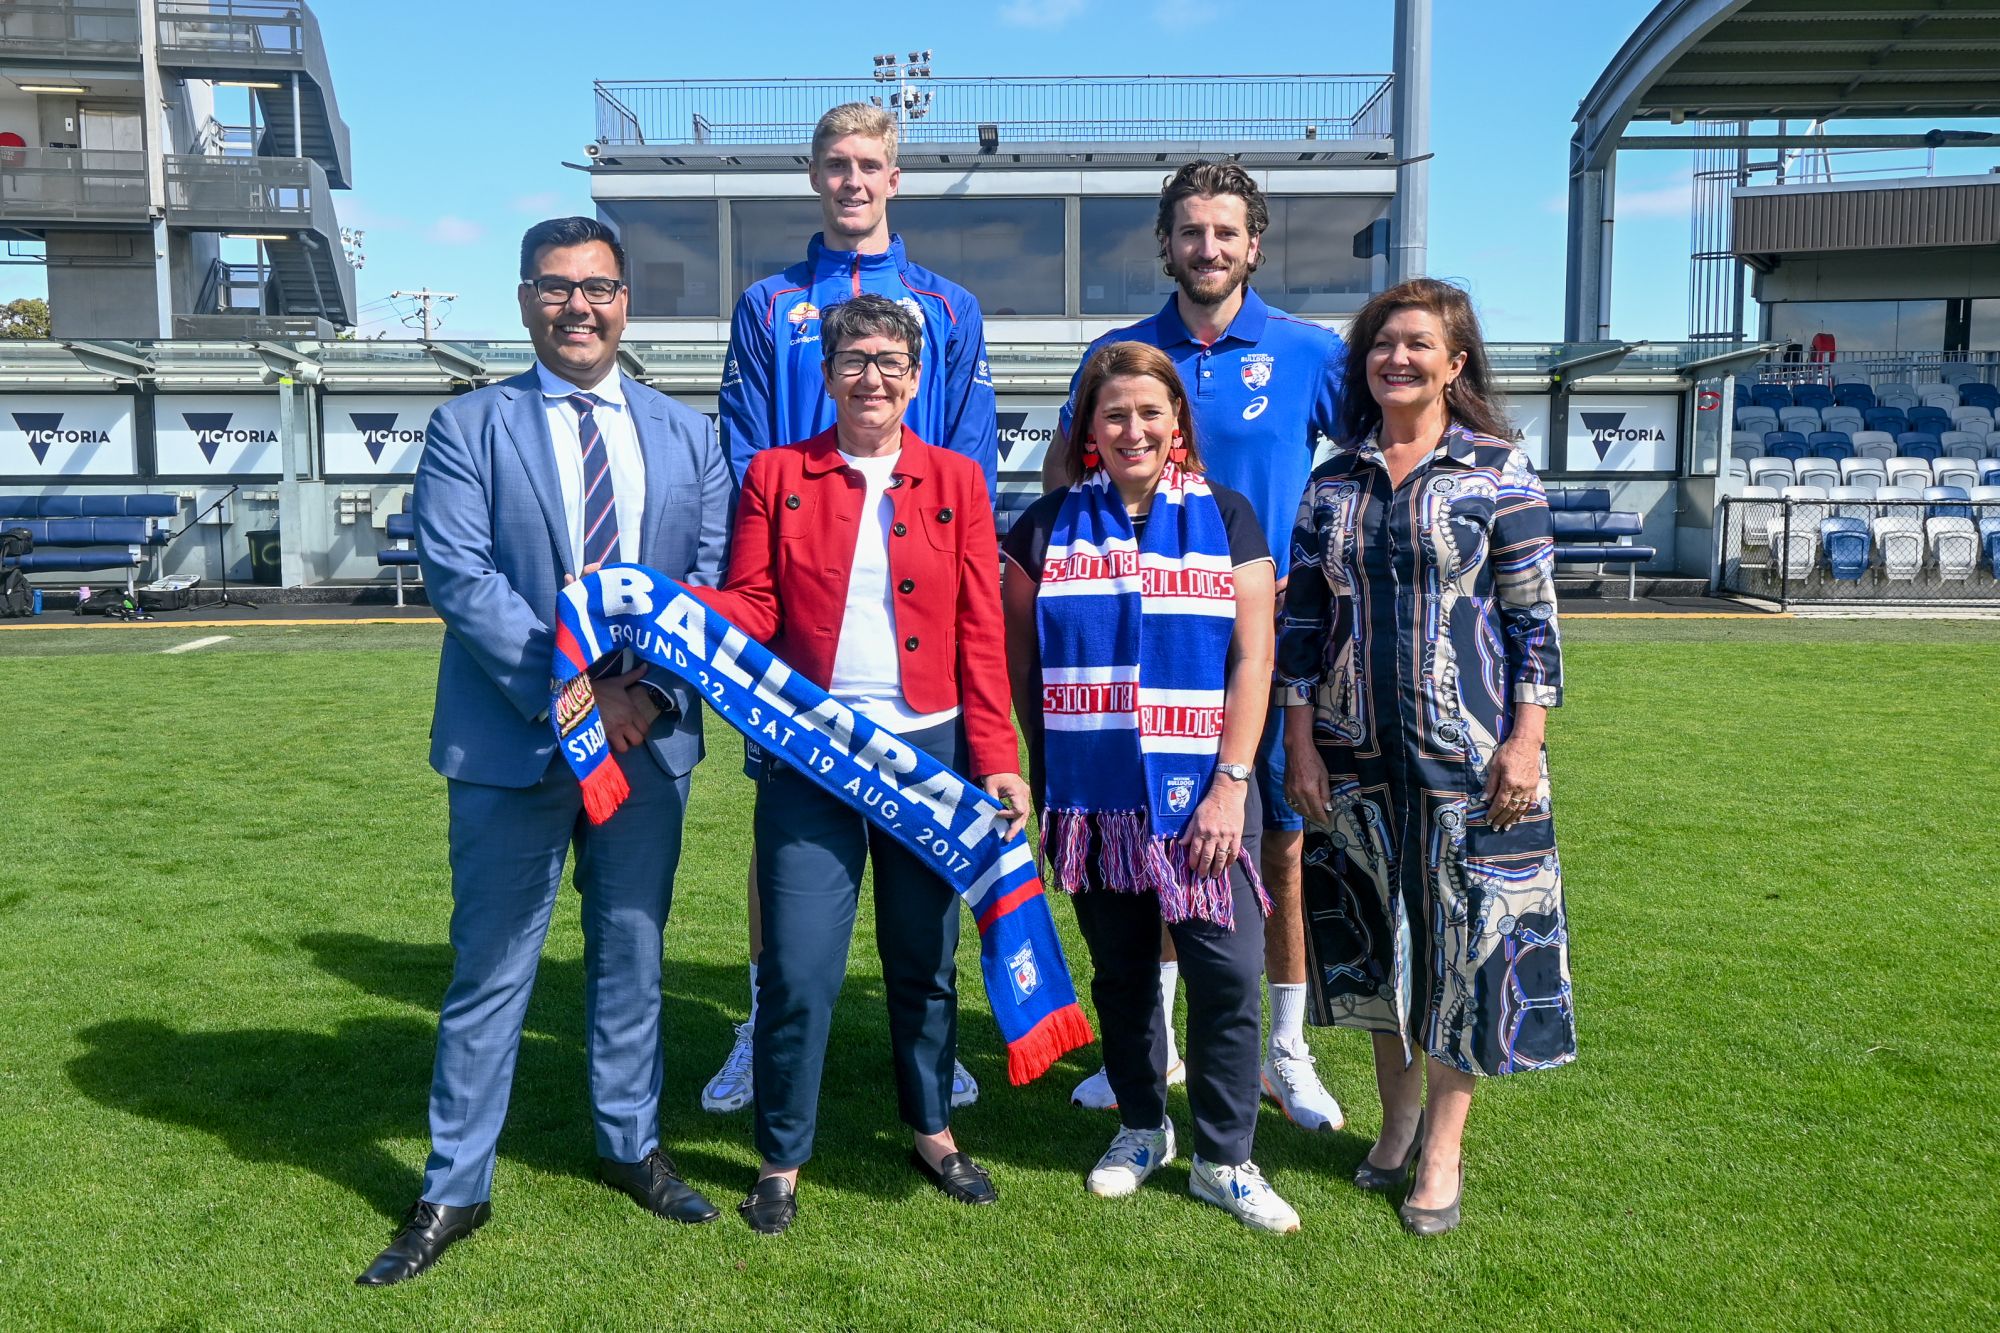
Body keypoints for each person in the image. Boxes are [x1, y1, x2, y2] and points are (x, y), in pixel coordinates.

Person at [358, 218, 733, 1286]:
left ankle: (630, 1145)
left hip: (647, 744)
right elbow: (461, 577)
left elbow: (707, 579)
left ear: (626, 302)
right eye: (559, 288)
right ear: (525, 301)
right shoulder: (469, 425)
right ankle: (453, 1185)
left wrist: (645, 698)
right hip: (513, 745)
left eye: (600, 287)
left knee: (632, 956)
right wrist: (579, 699)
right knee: (489, 969)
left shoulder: (684, 434)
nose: (581, 306)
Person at [694, 294, 1029, 1236]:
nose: (871, 376)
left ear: (916, 377)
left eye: (889, 361)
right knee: (798, 970)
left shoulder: (959, 479)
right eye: (853, 360)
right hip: (810, 755)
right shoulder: (775, 472)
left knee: (923, 962)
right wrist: (685, 607)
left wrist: (997, 757)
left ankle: (931, 1128)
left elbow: (979, 630)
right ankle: (780, 1155)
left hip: (930, 753)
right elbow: (757, 606)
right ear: (827, 372)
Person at [707, 101, 999, 1117]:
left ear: (895, 176)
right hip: (794, 633)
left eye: (868, 163)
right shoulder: (767, 303)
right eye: (834, 164)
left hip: (909, 635)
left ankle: (933, 1038)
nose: (851, 179)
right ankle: (760, 1024)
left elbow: (964, 464)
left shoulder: (949, 307)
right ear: (811, 176)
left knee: (926, 843)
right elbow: (742, 447)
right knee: (782, 838)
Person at [1046, 160, 1346, 1131]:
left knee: (1277, 842)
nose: (1206, 248)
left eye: (1225, 232)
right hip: (1139, 650)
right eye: (1190, 232)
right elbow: (1062, 469)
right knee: (1149, 842)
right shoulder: (1121, 351)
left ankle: (1286, 1052)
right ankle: (1157, 1046)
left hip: (1261, 646)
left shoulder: (1306, 352)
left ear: (1252, 244)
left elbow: (1375, 447)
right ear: (1164, 244)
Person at [1277, 278, 1575, 1238]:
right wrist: (1299, 741)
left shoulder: (1499, 472)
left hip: (1472, 757)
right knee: (1372, 942)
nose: (1395, 358)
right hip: (1353, 755)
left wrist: (1527, 741)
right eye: (1380, 345)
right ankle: (1395, 1122)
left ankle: (1441, 1148)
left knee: (1466, 949)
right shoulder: (1333, 479)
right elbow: (1303, 623)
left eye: (1417, 344)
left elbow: (1534, 622)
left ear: (1456, 362)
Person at [1003, 341, 1298, 1234]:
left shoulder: (1229, 515)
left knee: (1226, 972)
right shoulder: (1046, 526)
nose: (1134, 428)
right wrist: (1055, 779)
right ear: (1088, 428)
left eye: (1150, 412)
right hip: (1096, 803)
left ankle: (1227, 1156)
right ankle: (1141, 1124)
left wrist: (1232, 782)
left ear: (1178, 423)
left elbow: (1255, 658)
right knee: (1124, 974)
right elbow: (1023, 667)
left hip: (1208, 794)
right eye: (1114, 413)